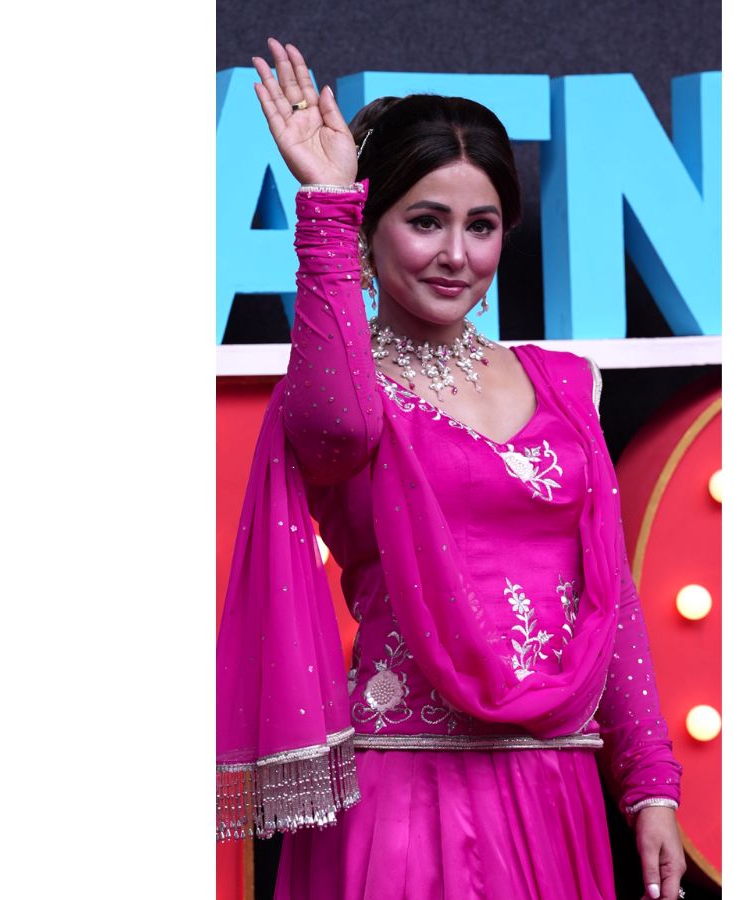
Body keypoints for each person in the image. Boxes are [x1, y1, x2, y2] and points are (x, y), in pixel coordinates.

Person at [217, 36, 687, 900]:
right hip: (404, 790)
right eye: (426, 221)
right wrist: (325, 206)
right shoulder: (344, 394)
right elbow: (334, 428)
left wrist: (650, 782)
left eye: (482, 226)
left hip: (554, 784)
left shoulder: (566, 385)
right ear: (371, 227)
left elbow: (612, 598)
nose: (457, 255)